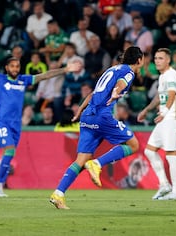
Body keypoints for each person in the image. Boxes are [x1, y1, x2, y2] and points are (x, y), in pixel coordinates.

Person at [0, 42, 81, 197]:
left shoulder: (23, 80)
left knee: (9, 154)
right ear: (7, 68)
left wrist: (65, 69)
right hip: (2, 121)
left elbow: (44, 75)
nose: (15, 69)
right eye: (12, 66)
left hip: (16, 123)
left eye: (17, 66)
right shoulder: (0, 79)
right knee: (10, 150)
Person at [50, 46, 144, 209]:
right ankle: (98, 164)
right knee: (133, 144)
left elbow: (94, 93)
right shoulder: (129, 72)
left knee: (81, 160)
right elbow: (121, 85)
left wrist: (80, 110)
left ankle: (58, 194)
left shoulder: (111, 69)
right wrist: (116, 92)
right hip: (102, 116)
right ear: (139, 60)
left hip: (87, 116)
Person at [137, 48, 176, 201]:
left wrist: (164, 113)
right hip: (164, 120)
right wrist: (146, 109)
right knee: (150, 151)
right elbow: (159, 97)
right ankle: (164, 185)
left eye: (161, 58)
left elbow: (171, 94)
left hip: (172, 119)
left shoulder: (171, 75)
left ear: (168, 60)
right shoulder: (163, 77)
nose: (157, 61)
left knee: (171, 155)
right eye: (156, 58)